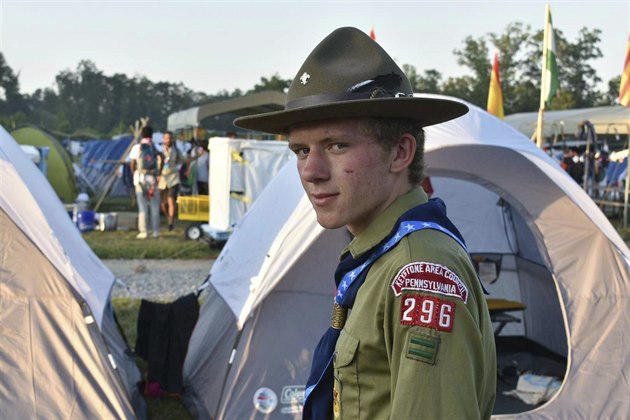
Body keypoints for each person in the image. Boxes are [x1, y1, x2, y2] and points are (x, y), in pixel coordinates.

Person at [234, 27, 496, 419]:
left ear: (400, 152)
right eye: (301, 150)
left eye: (337, 145)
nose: (311, 171)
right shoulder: (380, 254)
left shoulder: (419, 270)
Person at [129, 125, 161, 239]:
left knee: (142, 207)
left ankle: (144, 231)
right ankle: (156, 231)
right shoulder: (155, 147)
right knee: (154, 206)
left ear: (141, 135)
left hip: (140, 179)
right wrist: (158, 174)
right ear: (152, 135)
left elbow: (132, 163)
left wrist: (134, 174)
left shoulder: (137, 147)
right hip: (153, 180)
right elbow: (161, 160)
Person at [158, 131, 184, 231]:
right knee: (163, 204)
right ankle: (169, 217)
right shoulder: (159, 150)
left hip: (173, 178)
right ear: (163, 139)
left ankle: (170, 223)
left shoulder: (176, 150)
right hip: (162, 179)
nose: (168, 140)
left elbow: (183, 160)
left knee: (171, 200)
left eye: (170, 138)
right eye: (166, 138)